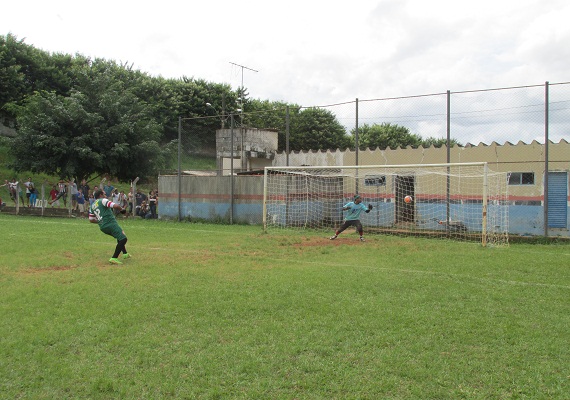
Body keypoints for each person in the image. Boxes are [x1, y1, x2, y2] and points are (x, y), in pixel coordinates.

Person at [88, 189, 130, 265]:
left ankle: (125, 253)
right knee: (123, 239)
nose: (105, 195)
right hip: (110, 223)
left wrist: (100, 221)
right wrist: (122, 210)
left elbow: (91, 219)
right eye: (104, 194)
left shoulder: (93, 205)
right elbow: (115, 205)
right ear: (100, 195)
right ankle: (114, 258)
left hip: (103, 226)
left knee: (120, 235)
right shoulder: (103, 200)